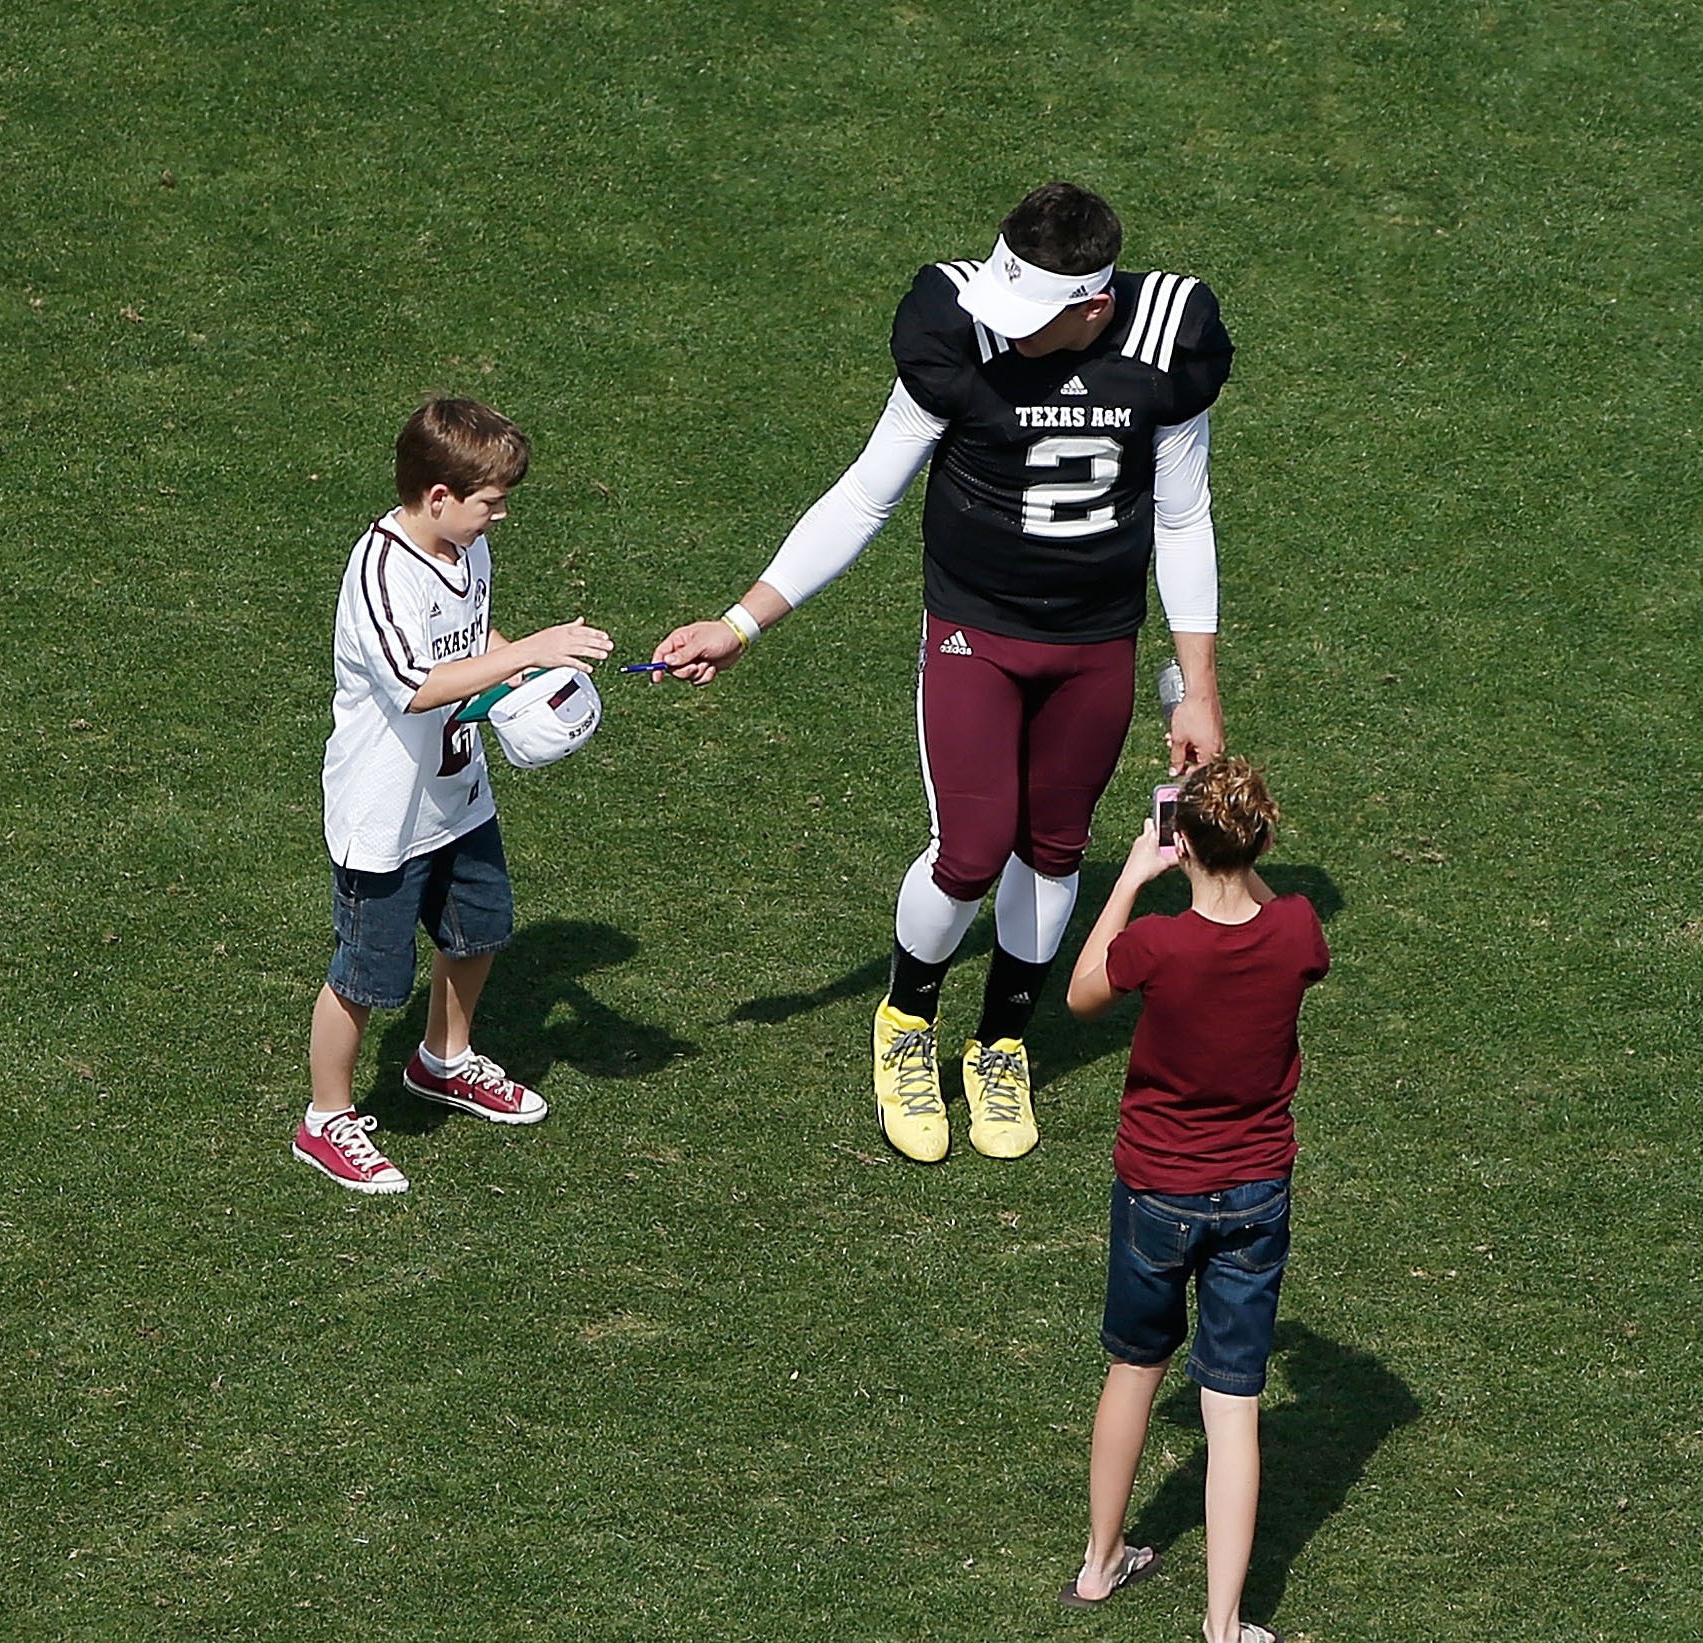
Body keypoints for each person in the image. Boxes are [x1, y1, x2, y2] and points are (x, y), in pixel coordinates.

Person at [650, 181, 1233, 1165]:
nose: (1003, 329)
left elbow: (1180, 517)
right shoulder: (953, 325)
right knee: (968, 849)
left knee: (1053, 851)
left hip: (1095, 641)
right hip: (977, 631)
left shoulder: (1168, 342)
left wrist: (1199, 686)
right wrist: (741, 622)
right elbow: (863, 495)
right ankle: (905, 1024)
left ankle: (1000, 1041)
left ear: (1093, 306)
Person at [292, 399, 616, 1195]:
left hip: (456, 794)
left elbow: (473, 640)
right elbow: (416, 686)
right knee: (366, 975)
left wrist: (534, 673)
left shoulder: (463, 551)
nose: (499, 515)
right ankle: (325, 1119)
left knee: (479, 929)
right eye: (490, 501)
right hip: (383, 815)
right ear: (438, 496)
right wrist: (533, 651)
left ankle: (442, 1058)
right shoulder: (380, 573)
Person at [1058, 758, 1326, 1643]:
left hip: (1152, 1191)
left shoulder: (1158, 947)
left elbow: (1083, 991)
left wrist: (1132, 876)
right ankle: (1224, 1634)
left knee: (1134, 1367)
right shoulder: (1296, 929)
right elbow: (1264, 907)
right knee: (1233, 1405)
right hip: (1252, 1194)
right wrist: (1236, 855)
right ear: (1258, 844)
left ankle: (1099, 1564)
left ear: (1184, 841)